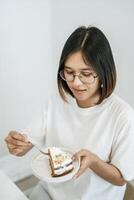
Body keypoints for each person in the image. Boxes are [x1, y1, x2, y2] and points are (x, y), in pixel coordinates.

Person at [5, 26, 134, 200]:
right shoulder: (56, 102)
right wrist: (16, 145)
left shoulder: (122, 115)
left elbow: (121, 178)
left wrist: (94, 161)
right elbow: (25, 146)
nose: (76, 83)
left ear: (103, 72)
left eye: (86, 74)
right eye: (69, 72)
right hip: (48, 194)